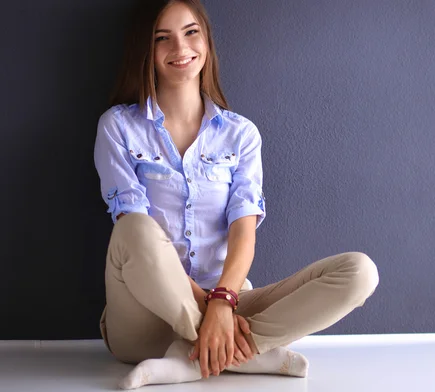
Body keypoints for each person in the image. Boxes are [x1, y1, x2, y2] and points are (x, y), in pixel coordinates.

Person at [93, 0, 379, 389]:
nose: (180, 48)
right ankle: (239, 353)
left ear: (207, 41)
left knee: (359, 272)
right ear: (147, 49)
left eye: (191, 32)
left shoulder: (241, 135)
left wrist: (224, 301)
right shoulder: (118, 127)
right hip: (141, 317)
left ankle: (195, 358)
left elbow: (244, 230)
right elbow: (130, 226)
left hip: (227, 302)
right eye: (163, 38)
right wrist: (210, 311)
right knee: (136, 229)